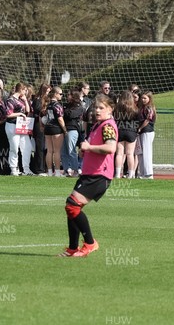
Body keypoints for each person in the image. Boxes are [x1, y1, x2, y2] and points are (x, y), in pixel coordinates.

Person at [58, 94, 117, 257]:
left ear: (110, 109)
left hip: (99, 175)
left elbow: (111, 148)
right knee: (72, 208)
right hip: (90, 174)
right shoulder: (99, 125)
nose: (97, 110)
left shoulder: (108, 126)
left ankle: (90, 243)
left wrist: (89, 147)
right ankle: (72, 249)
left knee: (72, 205)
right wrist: (86, 151)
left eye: (101, 108)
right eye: (96, 107)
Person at [4, 83, 33, 176]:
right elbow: (8, 114)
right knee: (14, 148)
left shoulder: (21, 100)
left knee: (27, 147)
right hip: (12, 125)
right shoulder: (10, 100)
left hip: (21, 126)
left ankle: (26, 169)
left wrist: (25, 101)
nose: (25, 92)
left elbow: (27, 111)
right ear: (21, 89)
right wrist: (19, 114)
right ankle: (13, 169)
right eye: (25, 90)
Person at [114, 90, 139, 179]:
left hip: (120, 130)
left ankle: (117, 174)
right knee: (130, 154)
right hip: (131, 131)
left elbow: (114, 120)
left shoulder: (117, 108)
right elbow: (137, 121)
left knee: (119, 154)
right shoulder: (135, 109)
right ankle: (131, 174)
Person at [60, 89, 84, 177]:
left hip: (72, 130)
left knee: (71, 151)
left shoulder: (79, 106)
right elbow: (63, 114)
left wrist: (65, 112)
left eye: (69, 94)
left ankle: (75, 170)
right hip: (64, 130)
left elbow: (71, 115)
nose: (67, 96)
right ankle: (66, 170)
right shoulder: (66, 105)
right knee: (63, 152)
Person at [43, 87, 66, 176]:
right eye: (60, 94)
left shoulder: (48, 105)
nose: (61, 96)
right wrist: (65, 130)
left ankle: (49, 171)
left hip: (48, 128)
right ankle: (57, 172)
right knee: (56, 151)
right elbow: (60, 119)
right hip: (56, 128)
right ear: (55, 94)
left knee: (49, 151)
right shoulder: (57, 105)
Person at [32, 84, 51, 175]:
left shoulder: (48, 99)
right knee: (40, 146)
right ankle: (39, 169)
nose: (48, 93)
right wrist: (45, 109)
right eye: (47, 91)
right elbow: (37, 109)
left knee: (46, 147)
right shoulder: (37, 99)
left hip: (47, 124)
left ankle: (46, 167)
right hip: (38, 124)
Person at [137, 91, 156, 179]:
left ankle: (148, 173)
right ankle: (142, 172)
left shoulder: (149, 107)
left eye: (145, 98)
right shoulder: (142, 107)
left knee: (147, 152)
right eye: (142, 98)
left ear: (149, 99)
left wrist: (140, 128)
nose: (143, 100)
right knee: (141, 152)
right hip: (142, 131)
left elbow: (148, 119)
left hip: (147, 131)